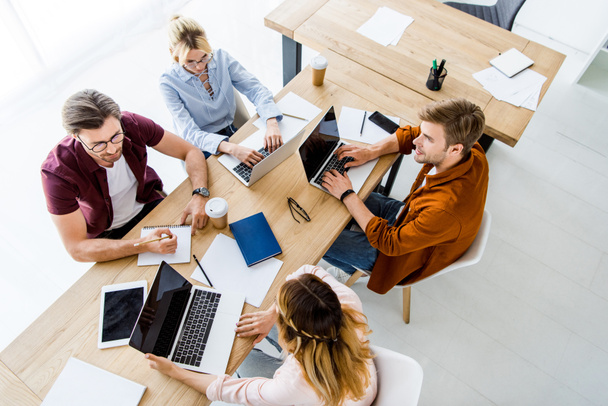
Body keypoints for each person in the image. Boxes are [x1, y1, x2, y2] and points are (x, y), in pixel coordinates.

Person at [321, 98, 489, 294]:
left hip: (397, 257)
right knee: (333, 193)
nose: (417, 141)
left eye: (428, 138)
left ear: (455, 149)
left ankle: (350, 270)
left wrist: (348, 195)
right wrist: (369, 151)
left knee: (322, 239)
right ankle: (351, 254)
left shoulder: (444, 210)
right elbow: (411, 134)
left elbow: (390, 243)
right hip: (407, 213)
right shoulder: (471, 150)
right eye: (423, 132)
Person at [145, 265, 377, 405]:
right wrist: (271, 313)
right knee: (249, 333)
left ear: (288, 337)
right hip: (359, 385)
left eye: (280, 320)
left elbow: (224, 390)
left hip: (330, 397)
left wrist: (174, 371)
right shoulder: (347, 301)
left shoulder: (293, 383)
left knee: (243, 361)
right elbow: (305, 271)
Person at [41, 89, 210, 263]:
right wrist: (143, 245)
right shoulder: (57, 173)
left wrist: (200, 193)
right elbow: (77, 249)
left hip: (149, 202)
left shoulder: (131, 123)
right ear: (75, 137)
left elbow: (190, 151)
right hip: (109, 234)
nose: (112, 149)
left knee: (202, 247)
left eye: (116, 136)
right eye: (98, 145)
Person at [160, 15, 283, 168]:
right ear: (173, 53)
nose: (200, 67)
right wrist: (232, 148)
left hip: (231, 132)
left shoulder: (220, 57)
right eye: (190, 62)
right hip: (202, 147)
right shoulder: (168, 83)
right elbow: (190, 134)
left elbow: (255, 88)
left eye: (204, 56)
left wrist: (271, 123)